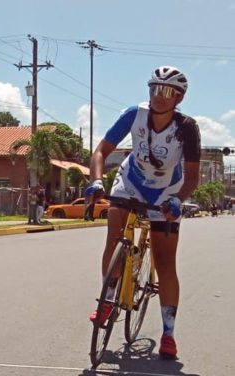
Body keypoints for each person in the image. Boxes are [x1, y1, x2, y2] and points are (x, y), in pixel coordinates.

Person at [86, 66, 199, 359]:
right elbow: (100, 151)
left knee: (165, 262)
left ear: (178, 98)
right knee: (114, 237)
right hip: (131, 182)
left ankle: (169, 333)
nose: (158, 97)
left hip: (166, 192)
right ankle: (107, 298)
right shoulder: (133, 114)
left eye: (166, 92)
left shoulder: (187, 127)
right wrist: (96, 180)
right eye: (153, 89)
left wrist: (178, 199)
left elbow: (192, 175)